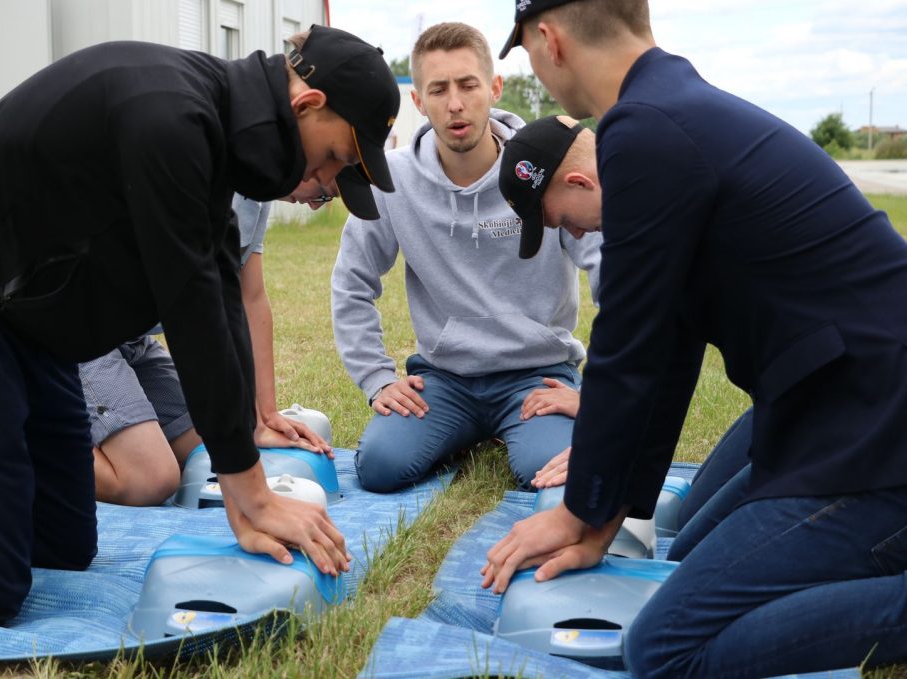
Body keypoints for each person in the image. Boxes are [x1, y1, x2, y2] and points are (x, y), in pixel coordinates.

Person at [481, 1, 907, 674]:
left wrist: (576, 510)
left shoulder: (646, 130)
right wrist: (609, 512)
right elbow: (668, 351)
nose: (580, 236)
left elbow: (625, 344)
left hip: (874, 426)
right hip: (833, 400)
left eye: (526, 50)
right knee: (682, 555)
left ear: (550, 40)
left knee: (664, 649)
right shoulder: (669, 108)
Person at [0, 26, 400, 625]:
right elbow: (190, 310)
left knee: (65, 548)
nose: (327, 183)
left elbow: (223, 299)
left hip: (31, 330)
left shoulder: (211, 129)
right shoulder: (170, 118)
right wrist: (248, 492)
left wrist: (246, 441)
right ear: (307, 104)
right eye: (333, 160)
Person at [330, 22, 602, 494]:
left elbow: (613, 274)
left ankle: (515, 430)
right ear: (418, 101)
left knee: (551, 473)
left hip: (535, 375)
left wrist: (601, 394)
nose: (455, 103)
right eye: (438, 89)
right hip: (445, 380)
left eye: (468, 85)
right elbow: (352, 283)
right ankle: (460, 430)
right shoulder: (392, 181)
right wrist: (377, 379)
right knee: (379, 467)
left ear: (494, 88)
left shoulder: (540, 169)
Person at [84, 181, 338, 506]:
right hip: (84, 334)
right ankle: (22, 439)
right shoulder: (199, 168)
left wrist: (262, 416)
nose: (318, 205)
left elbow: (251, 299)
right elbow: (194, 320)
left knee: (202, 455)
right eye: (322, 191)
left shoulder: (256, 198)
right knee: (151, 480)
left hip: (131, 339)